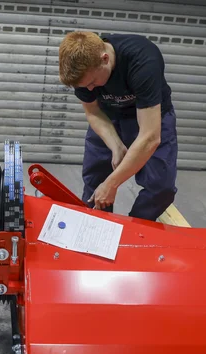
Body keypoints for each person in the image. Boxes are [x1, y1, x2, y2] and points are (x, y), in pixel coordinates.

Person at [58, 31, 178, 221]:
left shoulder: (143, 60)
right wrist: (115, 145)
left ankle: (137, 226)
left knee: (160, 187)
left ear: (104, 59)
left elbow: (150, 137)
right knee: (95, 180)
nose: (90, 90)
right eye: (84, 87)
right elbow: (93, 112)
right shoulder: (83, 72)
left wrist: (112, 184)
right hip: (110, 117)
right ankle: (97, 229)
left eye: (92, 83)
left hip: (151, 117)